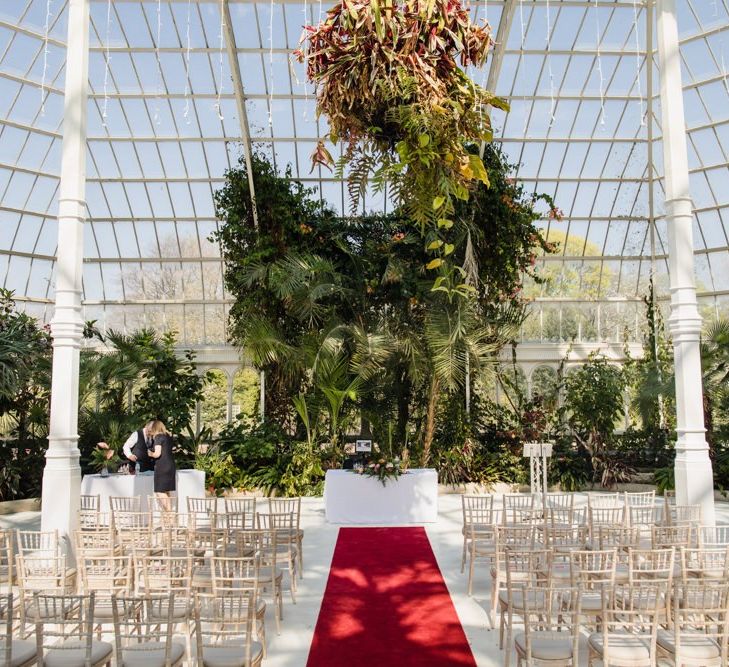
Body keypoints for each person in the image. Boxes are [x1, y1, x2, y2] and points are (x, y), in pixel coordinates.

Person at [146, 419, 176, 511]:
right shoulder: (168, 436)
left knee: (159, 491)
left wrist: (150, 453)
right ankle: (169, 516)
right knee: (166, 491)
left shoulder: (158, 437)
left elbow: (157, 454)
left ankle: (170, 514)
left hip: (162, 466)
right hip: (170, 465)